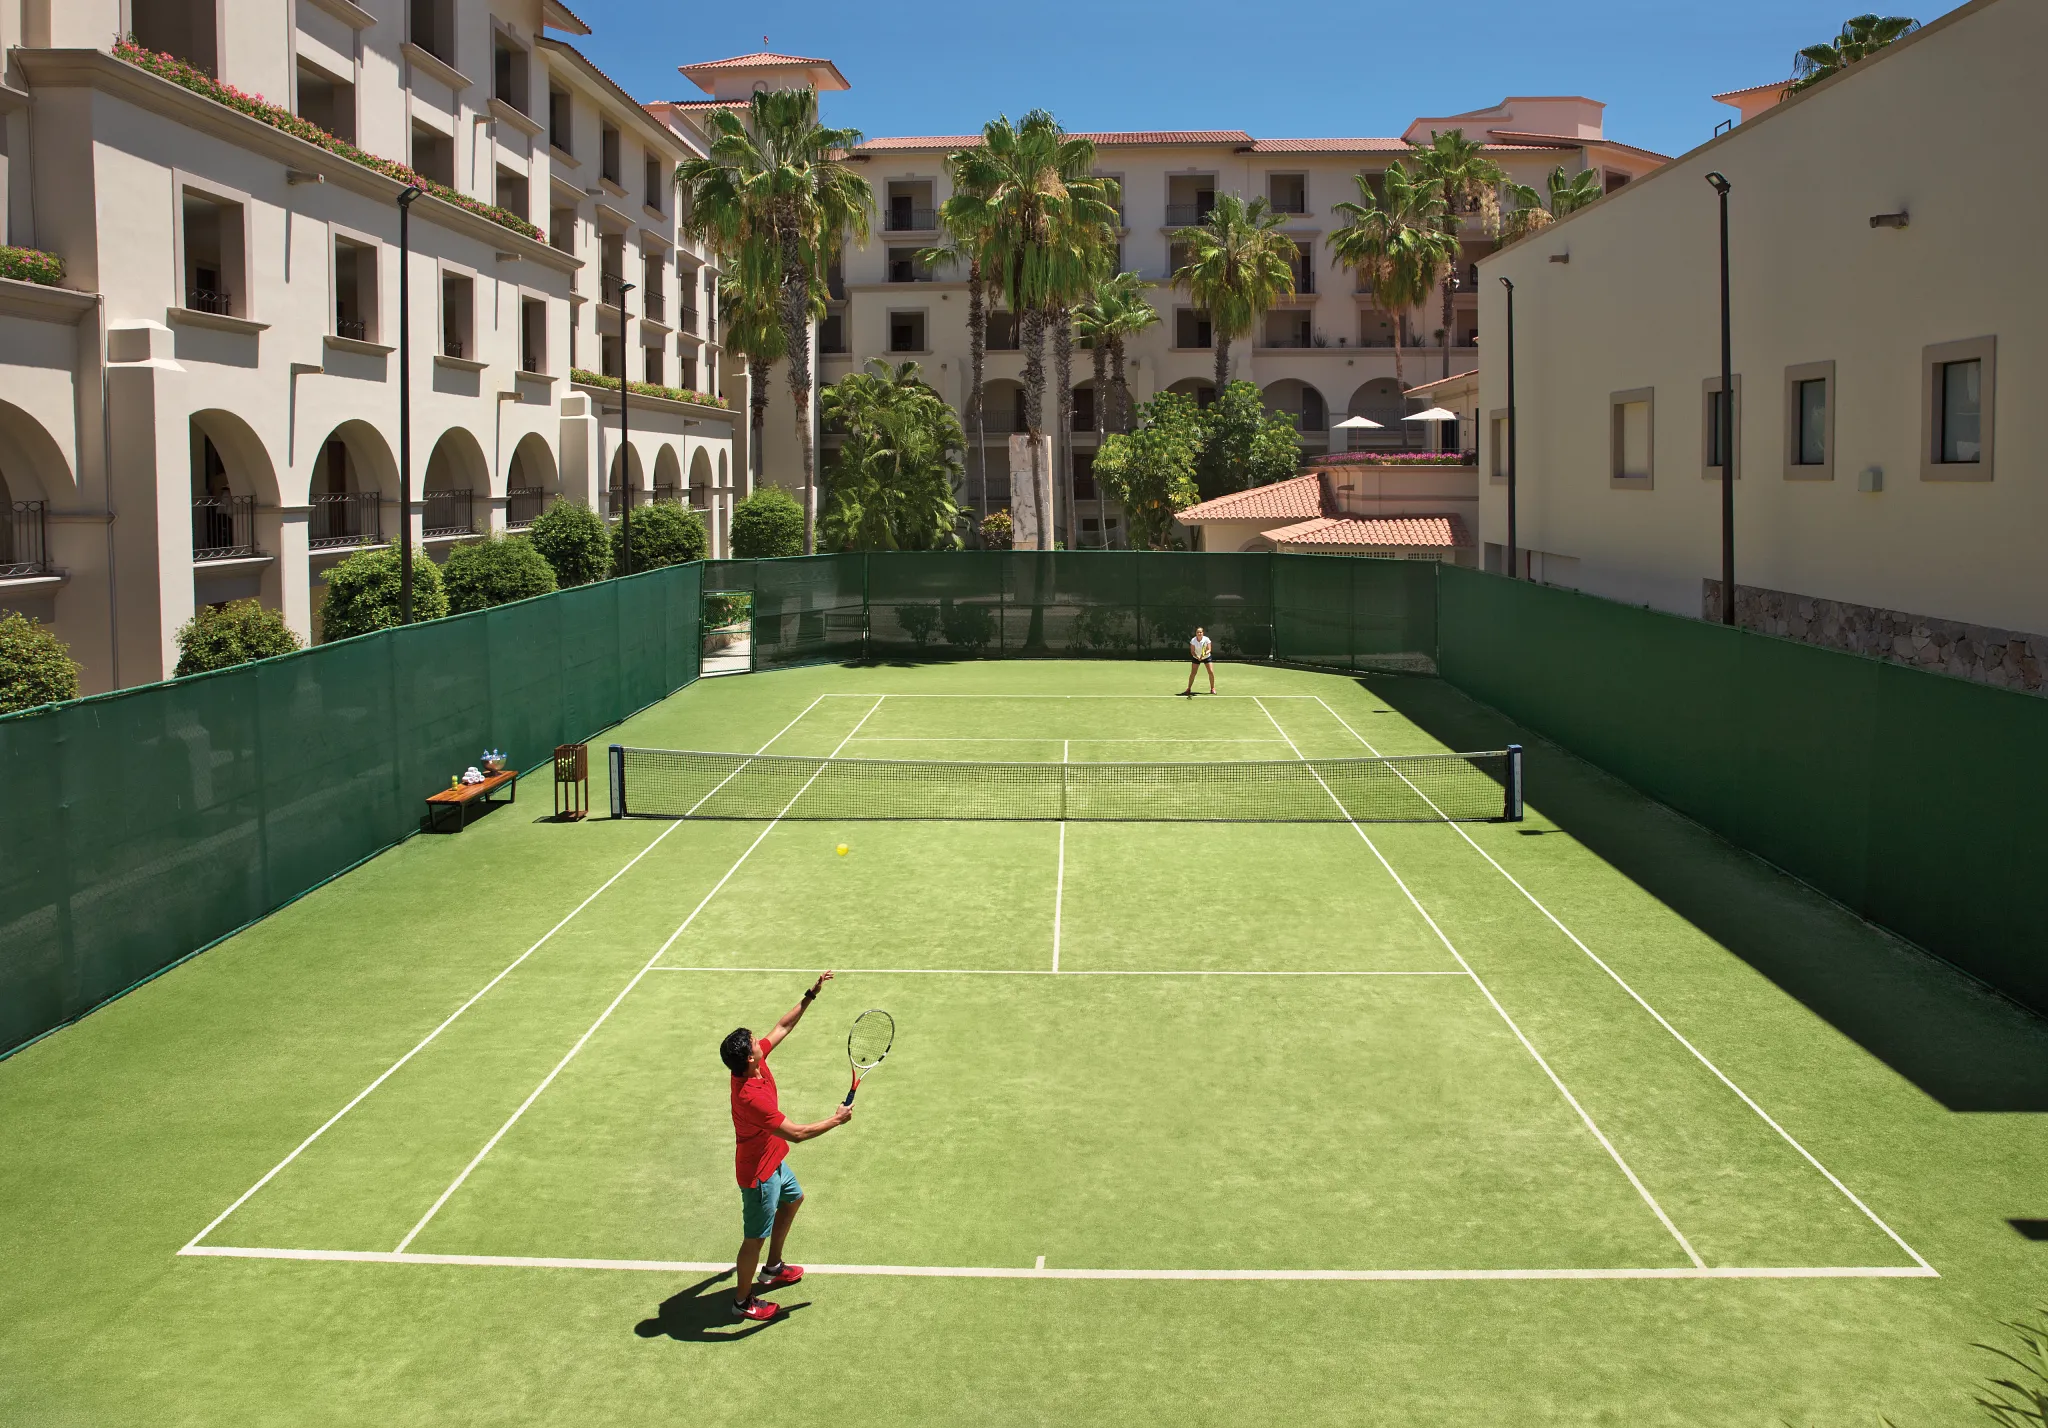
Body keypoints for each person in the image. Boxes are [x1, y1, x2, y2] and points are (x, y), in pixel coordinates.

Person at [720, 971, 851, 1322]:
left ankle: (773, 1267)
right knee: (753, 1238)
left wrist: (810, 994)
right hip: (758, 1173)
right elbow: (797, 1133)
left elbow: (782, 1027)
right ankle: (743, 1300)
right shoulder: (751, 1097)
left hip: (772, 1158)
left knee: (793, 1199)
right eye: (753, 1042)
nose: (759, 1041)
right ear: (749, 1058)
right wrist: (836, 1119)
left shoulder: (753, 1065)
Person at [1183, 626, 1216, 695]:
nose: (1199, 633)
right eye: (1198, 632)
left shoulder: (1206, 639)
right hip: (1196, 657)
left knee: (1211, 672)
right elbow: (1192, 651)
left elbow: (1209, 649)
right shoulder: (1193, 640)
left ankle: (1212, 688)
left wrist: (1203, 655)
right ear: (1196, 633)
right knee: (1193, 673)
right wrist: (1197, 656)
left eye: (1200, 632)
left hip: (1207, 657)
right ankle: (1188, 689)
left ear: (1202, 633)